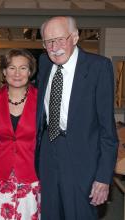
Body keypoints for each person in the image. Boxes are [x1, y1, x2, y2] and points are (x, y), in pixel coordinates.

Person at [36, 16, 118, 220]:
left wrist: (103, 177)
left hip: (82, 160)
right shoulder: (44, 63)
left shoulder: (98, 67)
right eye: (48, 42)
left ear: (75, 37)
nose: (54, 47)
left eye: (60, 39)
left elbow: (107, 130)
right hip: (47, 153)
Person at [0, 49, 41, 220]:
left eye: (23, 68)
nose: (17, 73)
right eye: (11, 68)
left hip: (31, 175)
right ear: (4, 71)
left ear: (30, 71)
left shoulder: (42, 99)